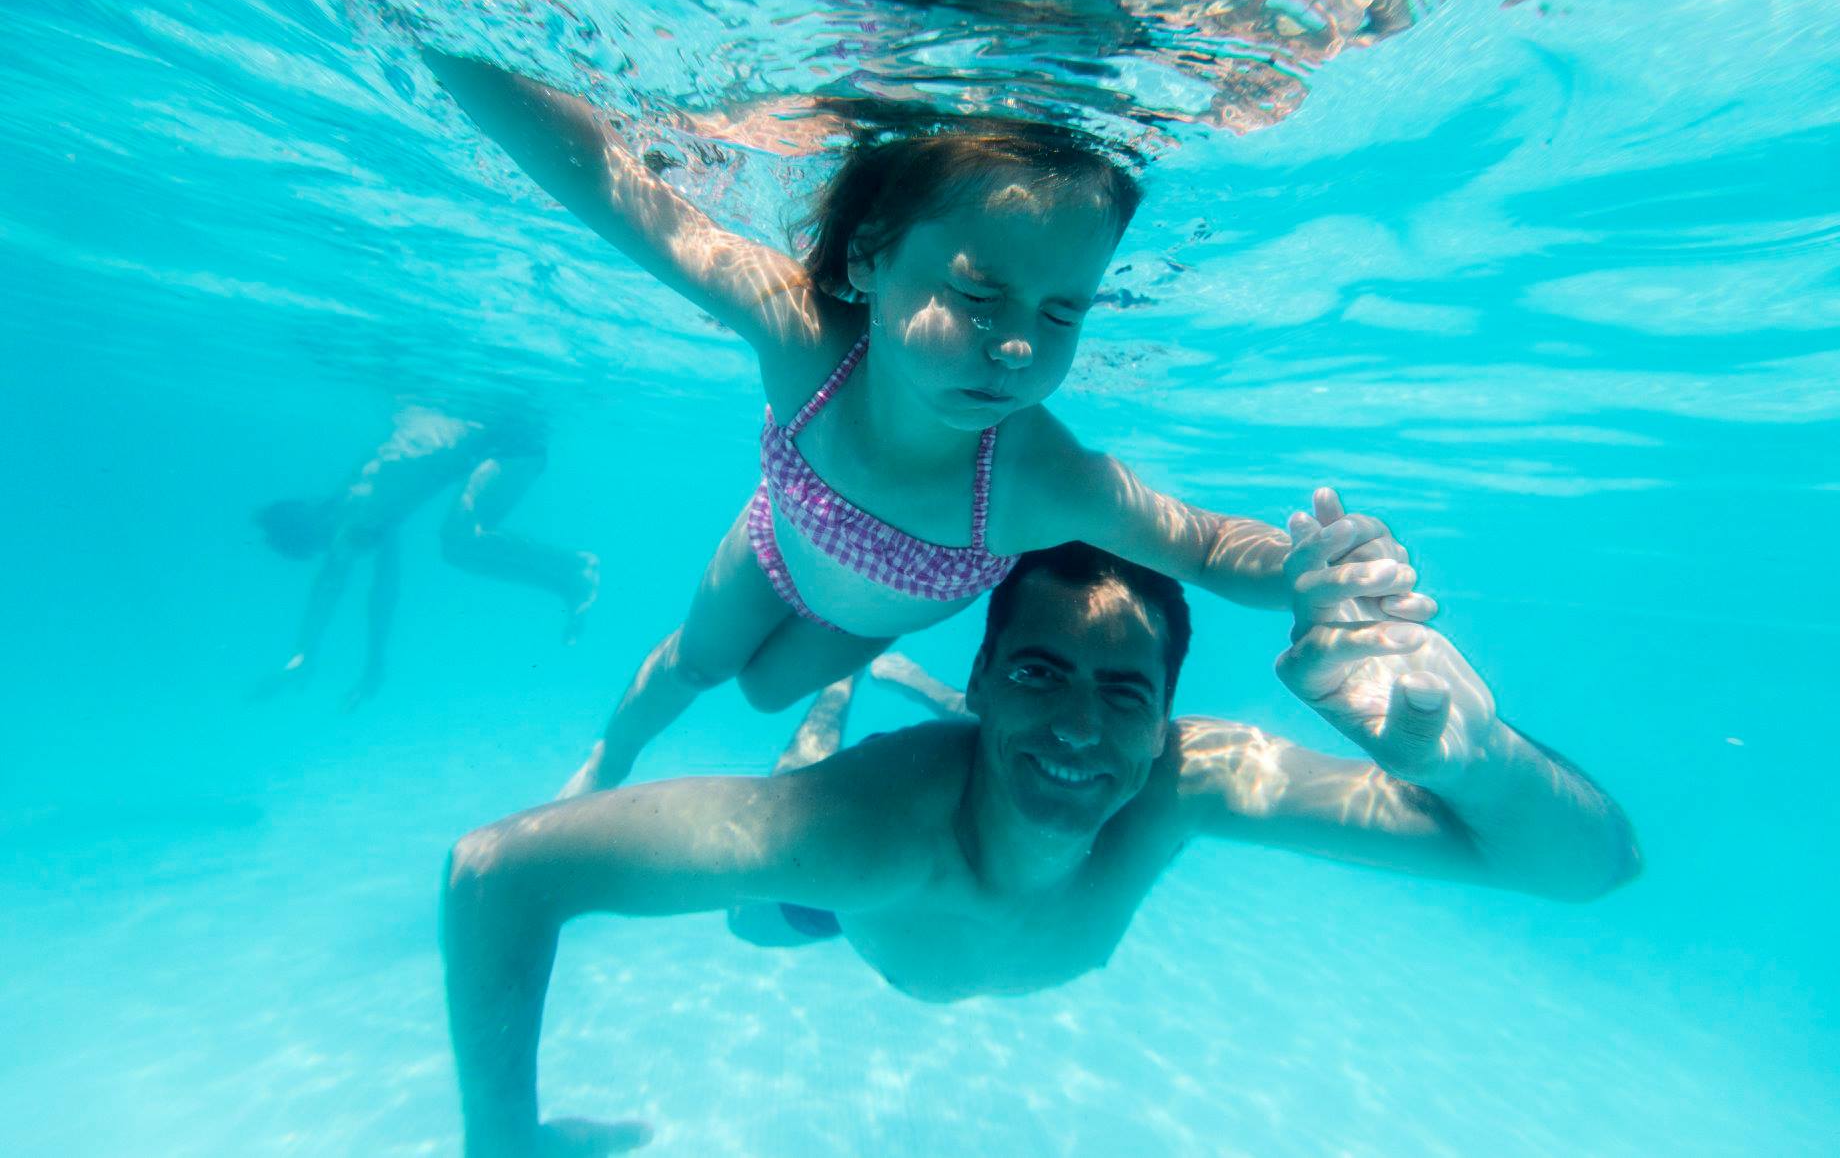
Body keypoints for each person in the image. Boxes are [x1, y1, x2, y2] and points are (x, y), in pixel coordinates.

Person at [441, 492, 1641, 1155]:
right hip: (852, 894)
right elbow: (494, 872)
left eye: (1123, 690)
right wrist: (504, 1145)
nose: (1078, 726)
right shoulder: (855, 836)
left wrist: (1478, 762)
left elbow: (1590, 867)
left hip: (920, 908)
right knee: (765, 910)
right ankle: (833, 697)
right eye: (1037, 675)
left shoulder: (1191, 776)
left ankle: (846, 690)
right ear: (982, 681)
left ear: (1169, 718)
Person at [420, 53, 1435, 794]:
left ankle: (840, 688)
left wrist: (1300, 573)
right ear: (866, 259)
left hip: (865, 618)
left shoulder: (1039, 478)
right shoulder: (807, 343)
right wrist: (448, 42)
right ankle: (612, 755)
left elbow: (1204, 541)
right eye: (978, 296)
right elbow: (623, 195)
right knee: (697, 660)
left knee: (767, 694)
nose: (1017, 350)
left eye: (1060, 312)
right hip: (775, 538)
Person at [253, 404, 600, 708]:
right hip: (506, 443)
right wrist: (311, 654)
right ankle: (564, 583)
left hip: (514, 441)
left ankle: (576, 566)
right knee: (457, 549)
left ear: (310, 525)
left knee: (460, 539)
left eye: (316, 543)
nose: (332, 550)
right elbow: (345, 585)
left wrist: (352, 661)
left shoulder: (354, 516)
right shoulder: (351, 511)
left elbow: (369, 591)